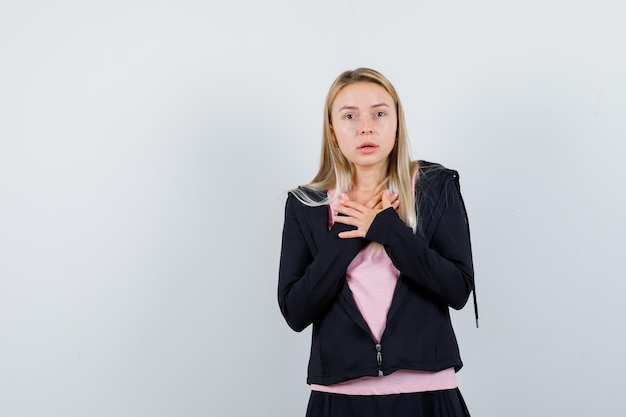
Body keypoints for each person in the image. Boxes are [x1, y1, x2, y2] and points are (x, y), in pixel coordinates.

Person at [278, 68, 476, 417]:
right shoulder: (305, 204)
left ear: (397, 124)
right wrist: (349, 235)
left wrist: (388, 231)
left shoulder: (435, 187)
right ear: (333, 132)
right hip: (337, 398)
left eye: (379, 113)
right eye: (350, 116)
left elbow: (458, 290)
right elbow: (296, 311)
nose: (366, 127)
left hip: (428, 393)